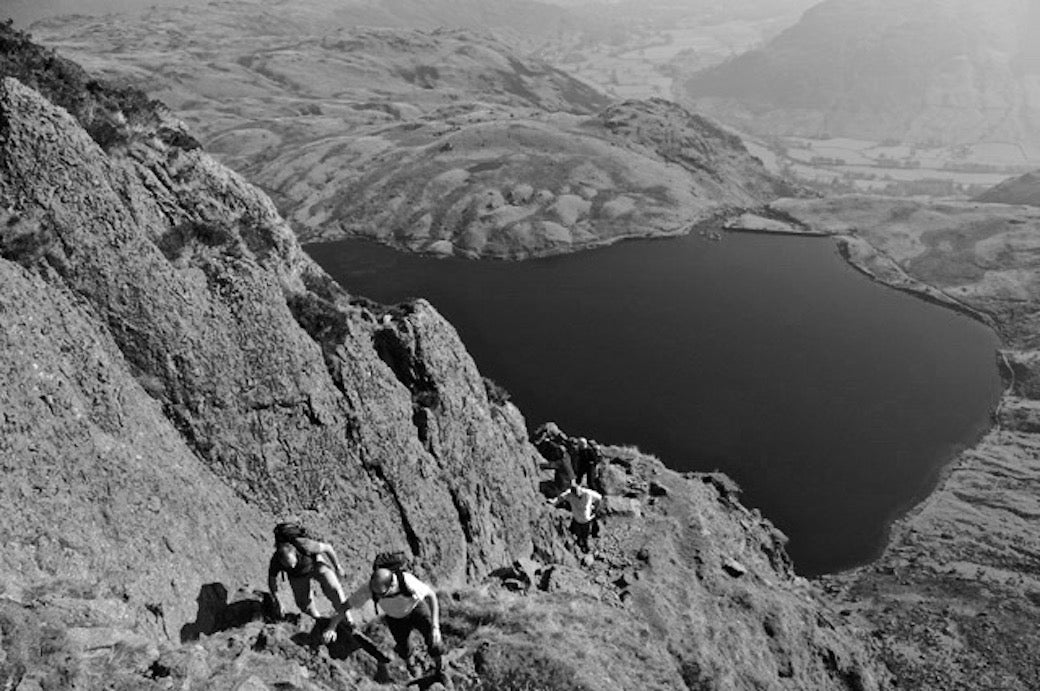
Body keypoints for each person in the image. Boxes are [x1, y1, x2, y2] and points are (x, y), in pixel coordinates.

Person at [324, 562, 450, 688]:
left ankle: (441, 670)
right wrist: (332, 626)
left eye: (381, 594)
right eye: (376, 593)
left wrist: (435, 627)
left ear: (392, 585)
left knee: (434, 641)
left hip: (416, 609)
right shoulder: (370, 588)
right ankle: (412, 666)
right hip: (395, 617)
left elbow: (431, 595)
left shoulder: (407, 581)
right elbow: (345, 606)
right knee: (404, 646)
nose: (377, 596)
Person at [267, 525, 347, 627]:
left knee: (334, 587)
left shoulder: (305, 545)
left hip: (314, 564)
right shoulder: (276, 561)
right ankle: (319, 622)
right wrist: (277, 600)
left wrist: (338, 567)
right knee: (304, 604)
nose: (292, 566)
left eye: (293, 563)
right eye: (288, 567)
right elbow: (272, 581)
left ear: (295, 553)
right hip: (297, 576)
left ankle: (347, 619)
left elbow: (328, 548)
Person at [551, 480, 603, 553]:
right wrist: (554, 502)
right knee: (577, 534)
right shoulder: (569, 495)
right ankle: (579, 546)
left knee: (585, 536)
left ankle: (587, 548)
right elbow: (560, 498)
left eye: (579, 493)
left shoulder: (588, 493)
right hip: (577, 518)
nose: (578, 495)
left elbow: (599, 498)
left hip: (586, 520)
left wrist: (595, 508)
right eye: (575, 494)